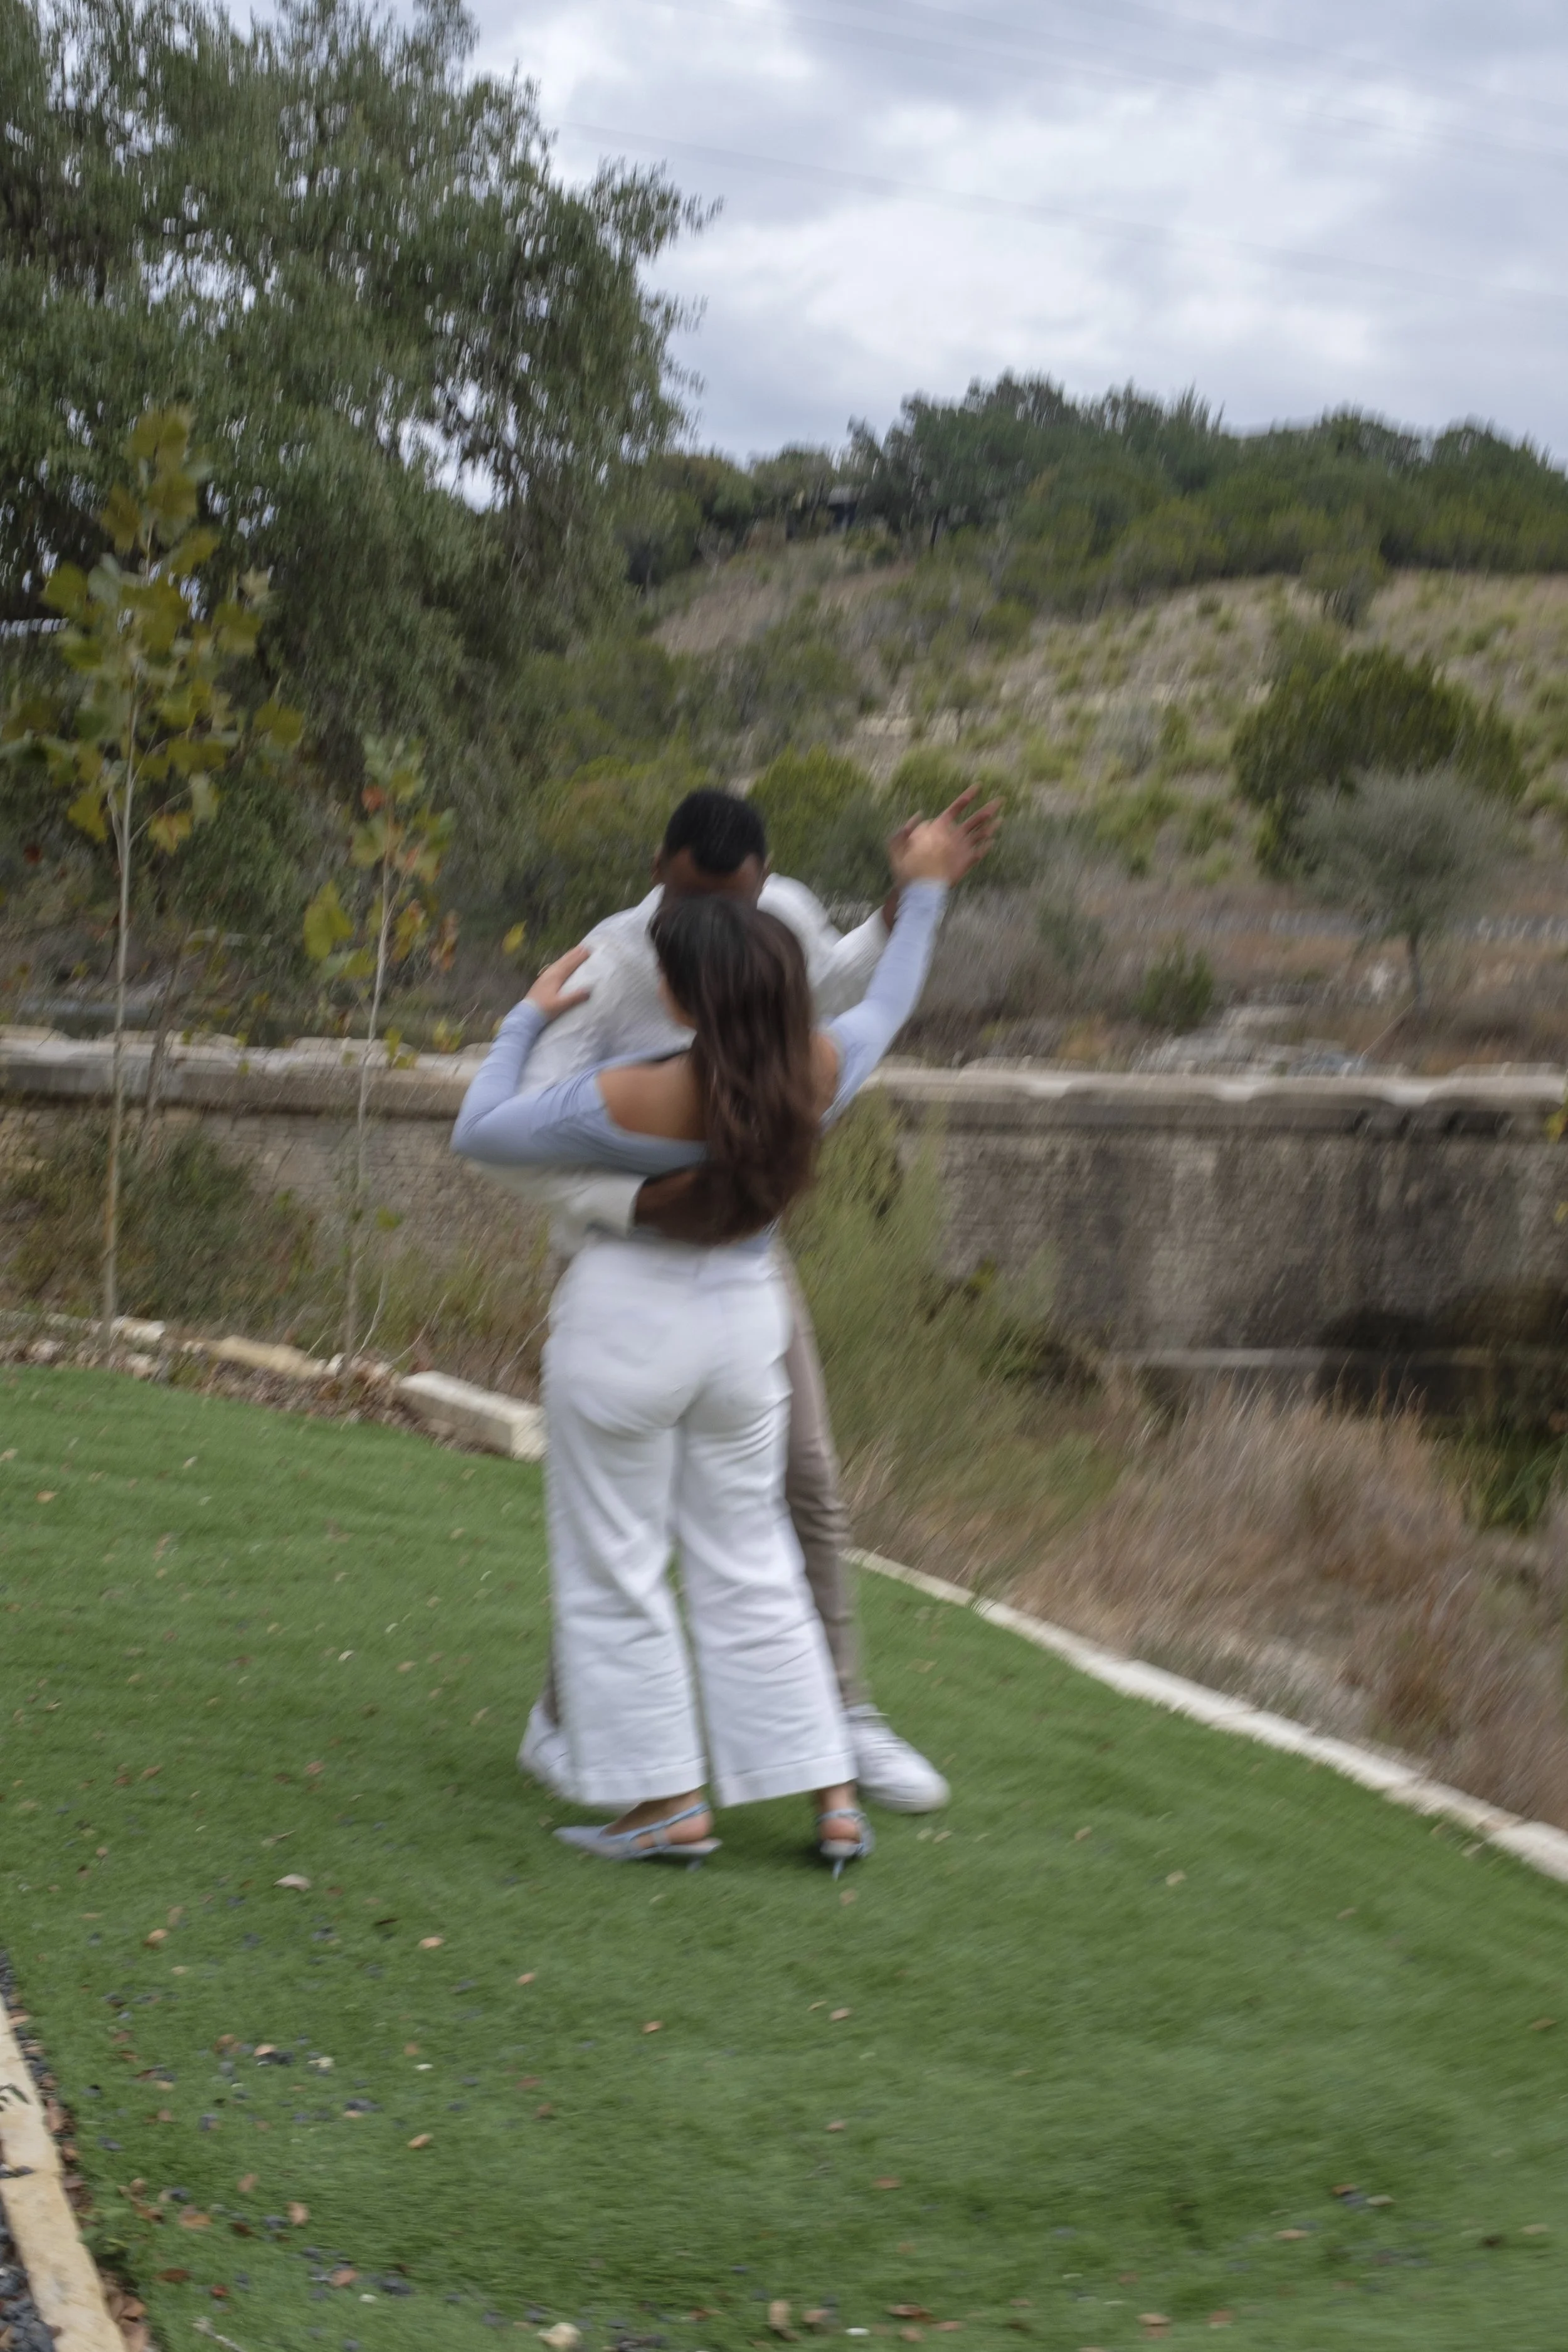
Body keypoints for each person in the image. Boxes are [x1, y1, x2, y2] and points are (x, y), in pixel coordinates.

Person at [451, 811, 969, 1865]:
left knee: (617, 1563)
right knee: (754, 1558)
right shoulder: (819, 1070)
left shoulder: (630, 1093)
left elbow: (485, 1133)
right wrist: (926, 890)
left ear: (682, 995)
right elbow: (893, 995)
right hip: (746, 1328)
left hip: (626, 1323)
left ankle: (668, 1806)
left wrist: (527, 1017)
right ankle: (832, 1801)